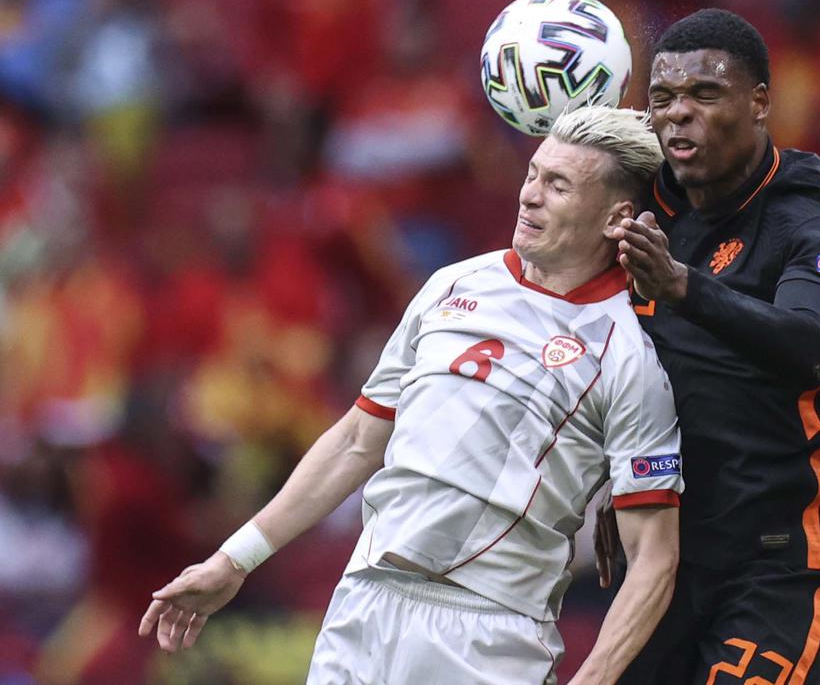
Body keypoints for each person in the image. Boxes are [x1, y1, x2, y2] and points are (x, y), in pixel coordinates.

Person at [138, 105, 684, 685]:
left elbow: (654, 555)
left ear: (615, 216)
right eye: (532, 174)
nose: (530, 196)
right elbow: (356, 440)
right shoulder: (450, 285)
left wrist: (594, 679)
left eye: (558, 185)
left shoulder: (627, 355)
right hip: (364, 606)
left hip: (489, 632)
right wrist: (233, 560)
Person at [602, 8, 820, 685]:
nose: (676, 116)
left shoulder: (807, 214)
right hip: (662, 557)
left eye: (704, 95)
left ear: (758, 104)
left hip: (776, 565)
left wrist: (680, 285)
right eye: (661, 99)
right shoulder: (646, 199)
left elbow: (811, 347)